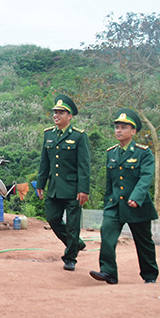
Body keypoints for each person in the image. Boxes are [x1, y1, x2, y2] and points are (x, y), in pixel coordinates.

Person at [90, 109, 159, 285]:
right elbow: (109, 182)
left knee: (143, 242)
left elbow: (146, 177)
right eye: (117, 127)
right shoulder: (111, 152)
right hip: (115, 204)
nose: (118, 130)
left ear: (133, 131)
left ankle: (149, 275)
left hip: (137, 205)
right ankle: (108, 272)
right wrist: (107, 203)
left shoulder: (143, 153)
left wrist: (136, 197)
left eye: (123, 127)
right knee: (107, 233)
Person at [35, 94, 90, 271]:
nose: (56, 115)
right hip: (54, 188)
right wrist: (41, 184)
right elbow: (45, 162)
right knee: (52, 219)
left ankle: (70, 257)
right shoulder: (48, 134)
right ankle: (76, 244)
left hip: (73, 189)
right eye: (55, 112)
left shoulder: (79, 137)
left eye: (60, 112)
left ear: (70, 116)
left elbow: (84, 166)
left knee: (73, 226)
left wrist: (84, 189)